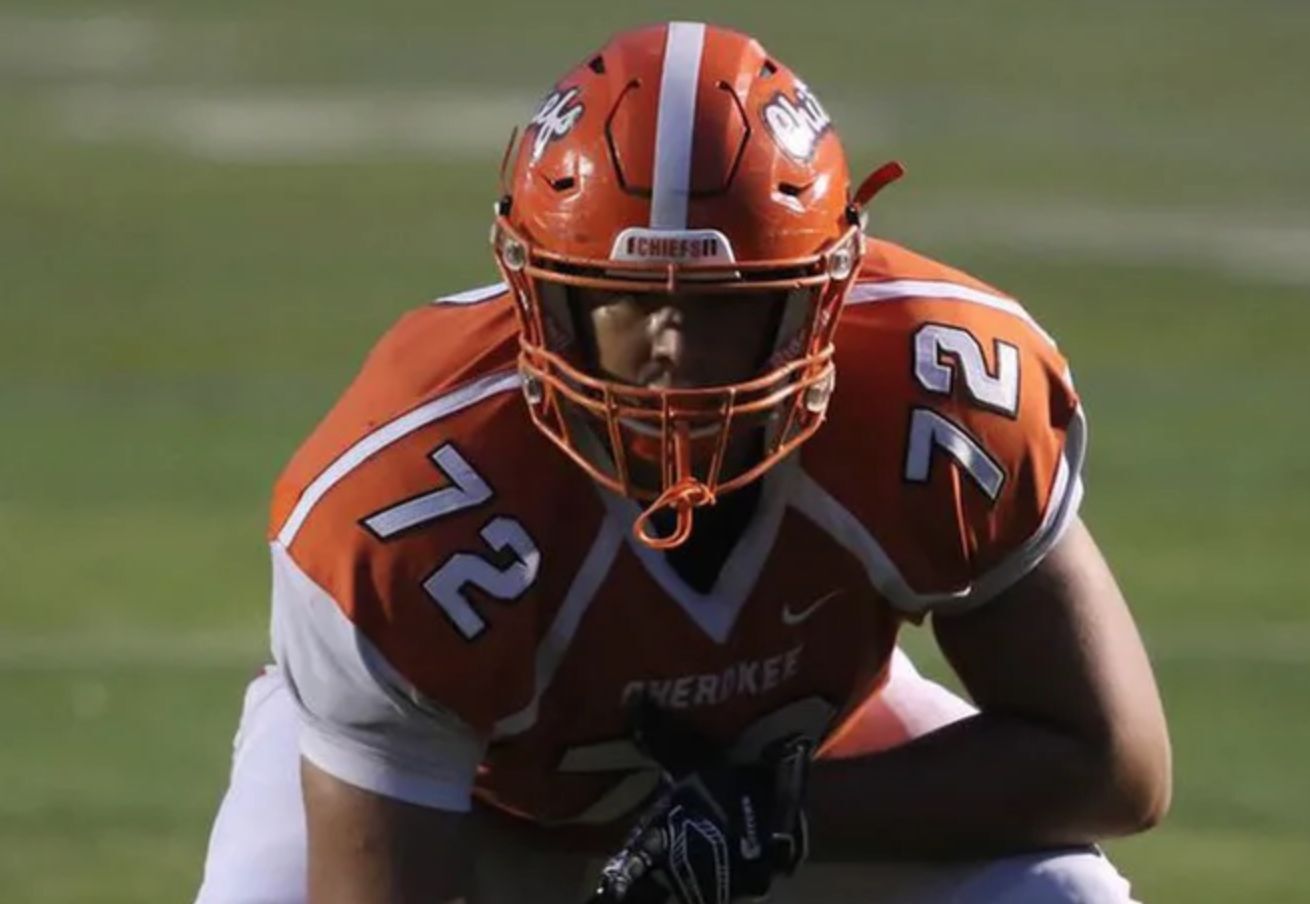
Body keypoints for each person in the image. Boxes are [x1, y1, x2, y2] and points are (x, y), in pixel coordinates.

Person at [195, 21, 1171, 904]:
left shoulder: (934, 390)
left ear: (820, 294)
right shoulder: (408, 499)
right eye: (626, 299)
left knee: (1059, 898)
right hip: (471, 818)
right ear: (538, 292)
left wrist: (779, 812)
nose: (675, 348)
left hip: (796, 782)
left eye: (726, 303)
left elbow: (1107, 761)